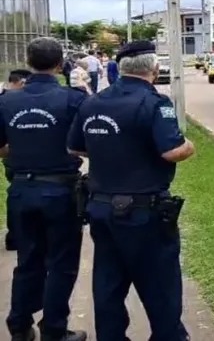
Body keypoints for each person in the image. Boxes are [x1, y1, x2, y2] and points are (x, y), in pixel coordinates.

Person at [67, 40, 195, 340]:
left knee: (108, 283)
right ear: (154, 68)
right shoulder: (154, 103)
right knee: (160, 283)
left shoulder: (92, 102)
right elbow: (172, 151)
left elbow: (75, 147)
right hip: (143, 212)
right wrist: (190, 146)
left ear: (119, 69)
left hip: (100, 207)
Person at [0, 38, 88, 341]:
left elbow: (1, 149)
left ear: (28, 60)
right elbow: (86, 145)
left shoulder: (6, 101)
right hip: (61, 192)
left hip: (21, 189)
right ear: (60, 63)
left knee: (27, 260)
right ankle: (54, 329)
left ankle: (19, 326)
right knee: (62, 264)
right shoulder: (73, 99)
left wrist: (25, 146)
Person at [2, 69, 32, 252]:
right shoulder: (8, 101)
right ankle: (14, 236)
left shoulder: (7, 100)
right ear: (21, 83)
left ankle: (15, 236)